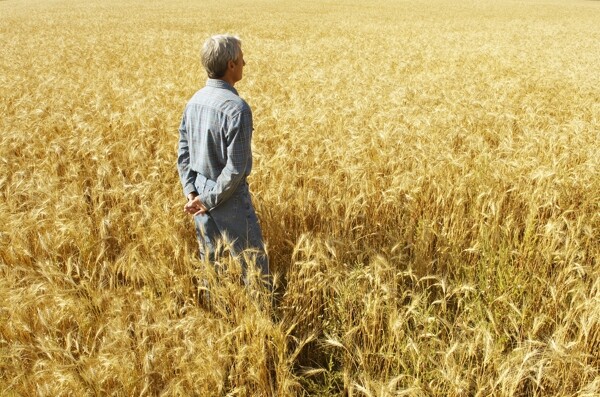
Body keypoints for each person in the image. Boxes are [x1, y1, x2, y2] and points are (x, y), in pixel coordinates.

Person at [177, 34, 269, 286]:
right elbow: (235, 169)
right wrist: (208, 200)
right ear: (231, 64)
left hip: (199, 192)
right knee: (254, 265)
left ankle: (214, 312)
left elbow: (183, 152)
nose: (244, 63)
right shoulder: (237, 108)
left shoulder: (194, 101)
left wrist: (192, 193)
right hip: (228, 196)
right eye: (241, 58)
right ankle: (263, 320)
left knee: (210, 262)